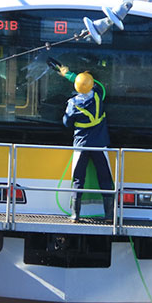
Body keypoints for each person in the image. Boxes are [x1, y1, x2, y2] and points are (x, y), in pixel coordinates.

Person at [56, 64, 115, 222]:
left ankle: (75, 215)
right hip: (100, 145)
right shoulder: (98, 96)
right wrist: (72, 75)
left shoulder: (73, 103)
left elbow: (66, 123)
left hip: (81, 146)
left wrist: (69, 77)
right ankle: (109, 215)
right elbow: (98, 84)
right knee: (105, 179)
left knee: (78, 179)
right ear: (91, 84)